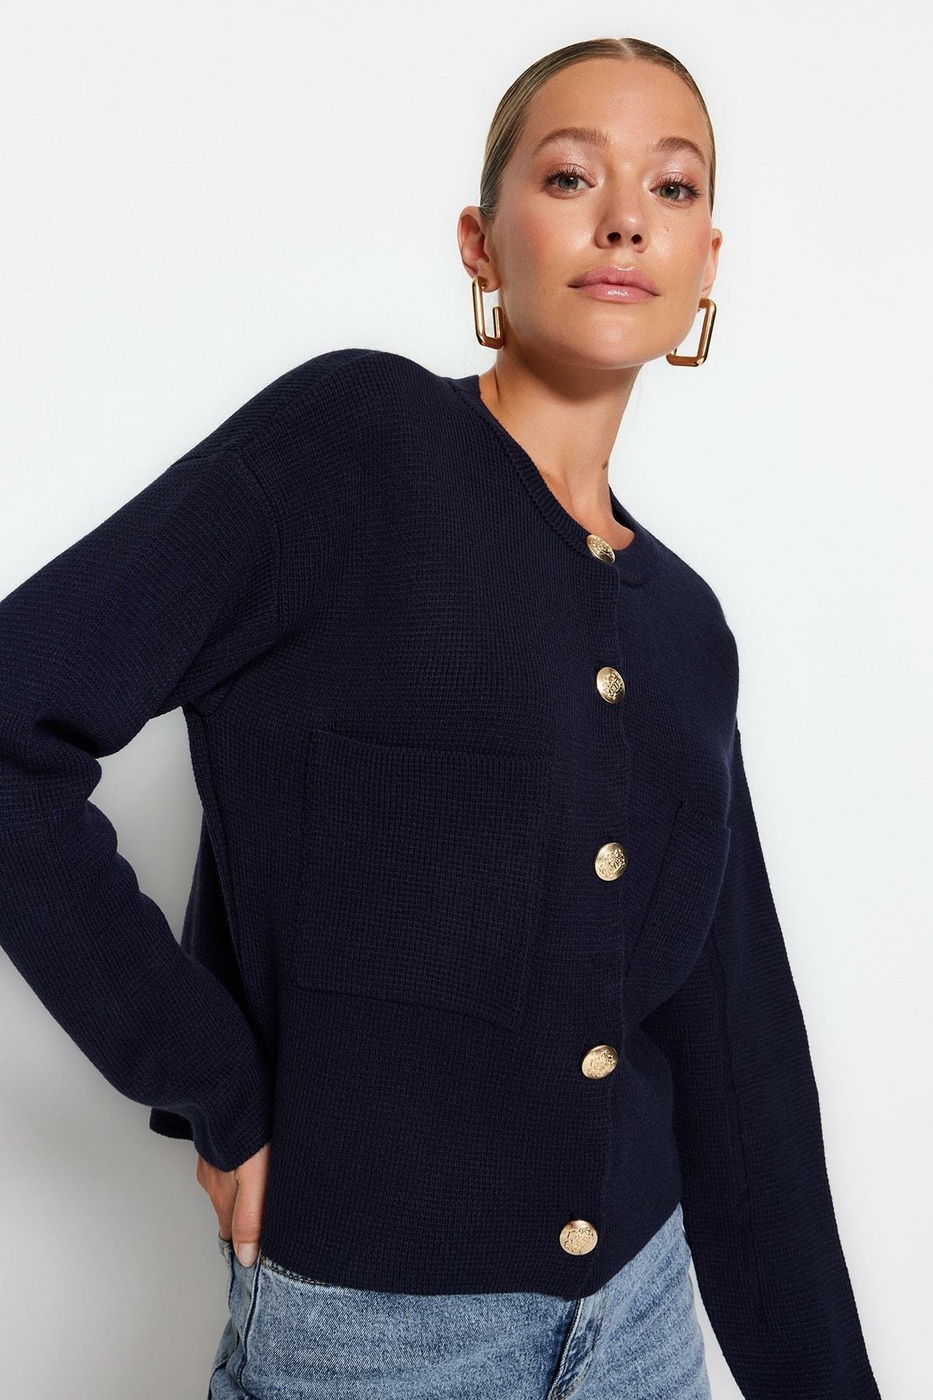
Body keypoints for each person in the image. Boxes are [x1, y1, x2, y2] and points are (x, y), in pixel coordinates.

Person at [0, 34, 883, 1400]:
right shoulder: (352, 447)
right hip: (375, 1340)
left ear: (705, 263)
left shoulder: (684, 626)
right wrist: (215, 1086)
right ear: (481, 242)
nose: (624, 219)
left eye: (672, 188)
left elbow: (737, 1051)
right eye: (571, 175)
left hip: (645, 1329)